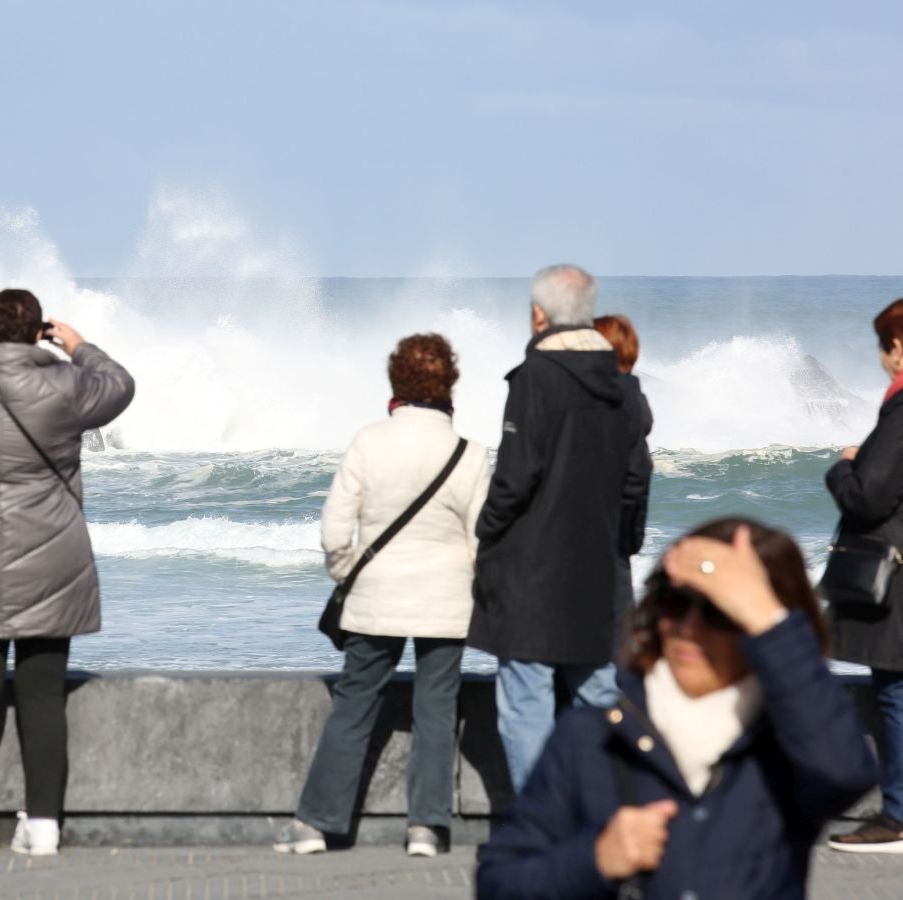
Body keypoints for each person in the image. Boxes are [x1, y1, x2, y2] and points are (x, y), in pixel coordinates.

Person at [477, 518, 877, 899]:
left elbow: (845, 773)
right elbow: (499, 882)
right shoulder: (591, 738)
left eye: (719, 611)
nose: (688, 627)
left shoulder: (787, 748)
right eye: (675, 602)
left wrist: (766, 616)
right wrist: (593, 859)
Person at [0, 288, 135, 860]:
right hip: (51, 564)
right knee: (42, 698)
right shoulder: (67, 387)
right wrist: (78, 347)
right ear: (39, 332)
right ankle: (42, 827)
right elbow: (121, 386)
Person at [274, 334, 491, 857]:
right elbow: (481, 540)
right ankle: (426, 829)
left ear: (396, 381)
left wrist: (348, 571)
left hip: (377, 596)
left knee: (354, 703)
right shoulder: (470, 452)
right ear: (449, 384)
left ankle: (317, 825)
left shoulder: (370, 441)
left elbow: (334, 528)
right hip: (445, 600)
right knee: (437, 708)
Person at [469, 264, 644, 793]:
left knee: (526, 702)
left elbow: (516, 476)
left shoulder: (535, 379)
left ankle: (544, 827)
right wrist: (620, 545)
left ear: (539, 315)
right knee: (596, 695)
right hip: (596, 571)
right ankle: (608, 814)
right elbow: (635, 483)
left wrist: (486, 531)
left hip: (534, 575)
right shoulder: (625, 389)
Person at [825, 298, 903, 854]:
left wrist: (845, 465)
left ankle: (898, 818)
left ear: (897, 348)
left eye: (882, 344)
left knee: (896, 691)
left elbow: (870, 495)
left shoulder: (900, 411)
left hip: (895, 579)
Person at [594, 314, 654, 650]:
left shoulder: (590, 407)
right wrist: (628, 542)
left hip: (579, 556)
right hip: (616, 553)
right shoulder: (636, 409)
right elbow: (638, 480)